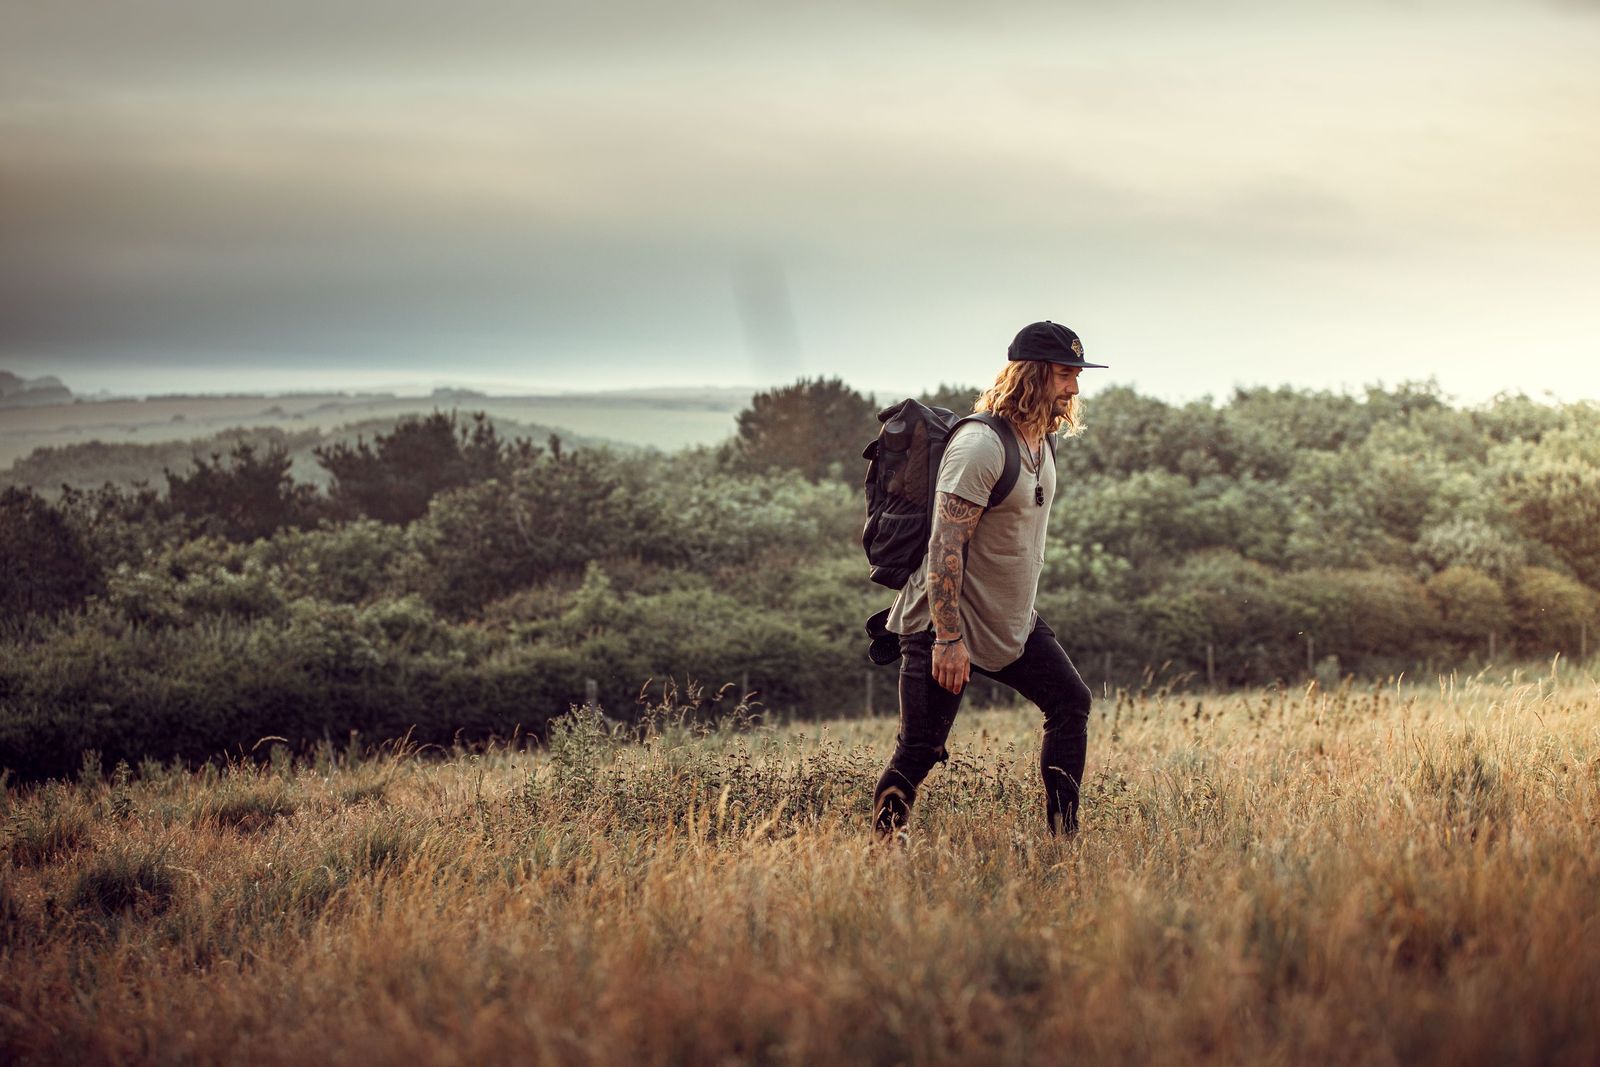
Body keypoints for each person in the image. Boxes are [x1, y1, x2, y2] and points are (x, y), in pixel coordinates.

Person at [873, 320, 1105, 837]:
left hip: (1009, 622)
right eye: (1065, 374)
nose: (1074, 387)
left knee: (1071, 702)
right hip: (945, 624)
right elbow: (943, 547)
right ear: (1033, 374)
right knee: (921, 750)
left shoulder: (1040, 440)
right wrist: (949, 639)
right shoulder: (980, 445)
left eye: (1076, 375)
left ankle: (1063, 842)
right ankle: (880, 853)